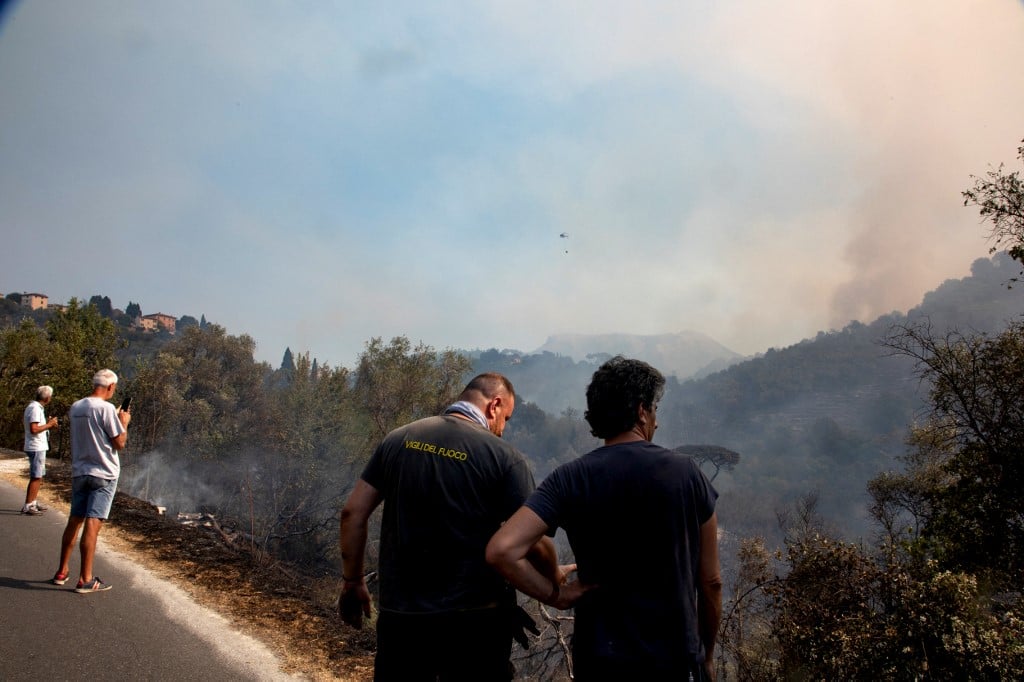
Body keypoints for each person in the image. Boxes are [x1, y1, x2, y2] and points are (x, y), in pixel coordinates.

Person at [486, 356, 723, 681]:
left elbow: (502, 550)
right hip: (674, 661)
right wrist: (707, 656)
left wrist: (556, 596)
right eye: (654, 410)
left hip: (599, 662)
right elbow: (710, 582)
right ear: (642, 410)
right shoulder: (687, 475)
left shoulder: (570, 478)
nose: (657, 421)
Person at [339, 373, 567, 681]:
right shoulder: (505, 459)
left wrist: (353, 581)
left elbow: (353, 514)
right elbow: (536, 543)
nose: (504, 428)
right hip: (474, 624)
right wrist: (554, 579)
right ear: (494, 405)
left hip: (401, 619)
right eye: (507, 418)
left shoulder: (398, 438)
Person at [51, 369, 130, 593]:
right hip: (103, 473)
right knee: (93, 524)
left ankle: (61, 571)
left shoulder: (76, 407)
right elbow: (119, 443)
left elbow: (92, 429)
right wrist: (123, 422)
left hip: (80, 471)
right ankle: (86, 579)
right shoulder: (106, 409)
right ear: (111, 387)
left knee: (74, 520)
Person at [22, 385, 58, 515]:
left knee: (39, 475)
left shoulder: (34, 408)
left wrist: (48, 425)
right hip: (36, 446)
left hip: (37, 446)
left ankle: (33, 501)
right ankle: (29, 505)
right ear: (48, 397)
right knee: (36, 476)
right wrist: (49, 424)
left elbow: (37, 427)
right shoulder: (35, 409)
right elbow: (34, 429)